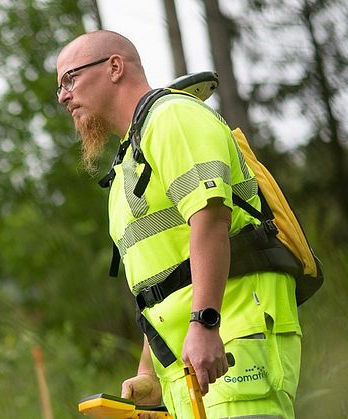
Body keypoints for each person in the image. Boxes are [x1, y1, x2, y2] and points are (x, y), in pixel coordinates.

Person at [56, 30, 302, 418]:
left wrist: (205, 323)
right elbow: (161, 284)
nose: (63, 96)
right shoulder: (127, 163)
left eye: (70, 79)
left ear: (114, 68)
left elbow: (211, 219)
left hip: (233, 340)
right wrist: (148, 372)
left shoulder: (173, 118)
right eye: (60, 87)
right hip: (187, 366)